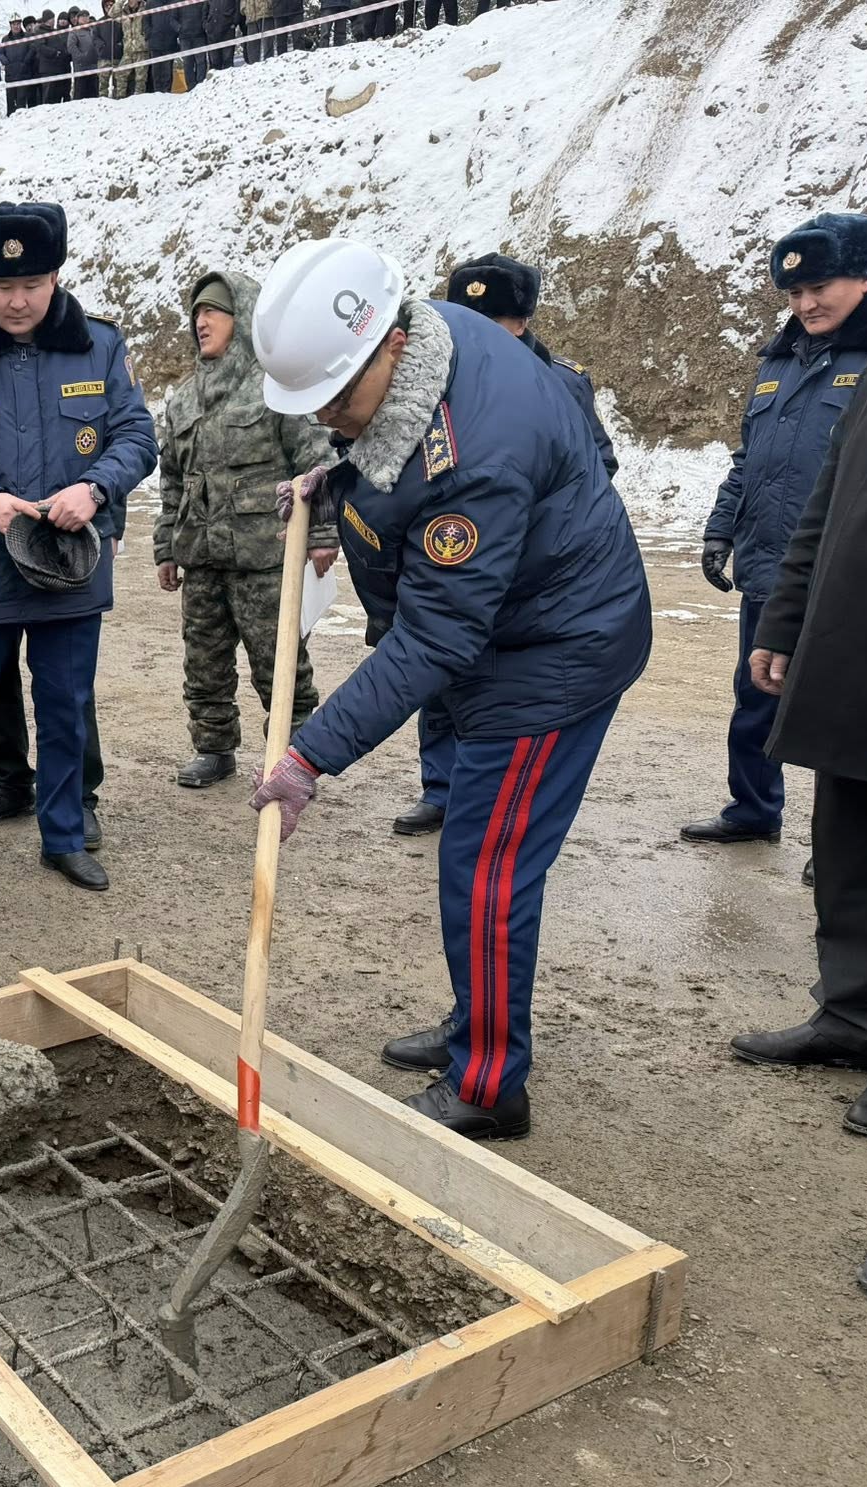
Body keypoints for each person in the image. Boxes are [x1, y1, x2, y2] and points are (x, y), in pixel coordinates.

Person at [245, 237, 651, 1139]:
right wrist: (337, 477)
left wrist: (310, 754)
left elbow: (436, 635)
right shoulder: (436, 332)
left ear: (389, 345)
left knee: (490, 866)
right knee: (475, 854)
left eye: (336, 405)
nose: (331, 422)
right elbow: (393, 448)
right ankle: (481, 1022)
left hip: (554, 651)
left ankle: (489, 1085)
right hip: (512, 626)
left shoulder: (476, 461)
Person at [729, 192, 867, 1139]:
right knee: (849, 854)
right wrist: (782, 623)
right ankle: (850, 1016)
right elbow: (822, 512)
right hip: (853, 659)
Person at [0, 202, 158, 893]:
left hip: (69, 569)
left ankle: (65, 836)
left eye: (33, 284)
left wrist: (95, 489)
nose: (18, 301)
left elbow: (137, 437)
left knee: (66, 707)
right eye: (2, 285)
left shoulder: (100, 349)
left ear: (56, 277)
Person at [682, 213, 867, 856]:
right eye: (793, 293)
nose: (805, 304)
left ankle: (843, 844)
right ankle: (753, 808)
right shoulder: (779, 360)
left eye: (820, 288)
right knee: (757, 693)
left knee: (848, 709)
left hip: (849, 573)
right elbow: (749, 458)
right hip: (771, 569)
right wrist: (721, 528)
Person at [393, 251, 625, 836]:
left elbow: (596, 463)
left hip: (528, 568)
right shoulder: (434, 381)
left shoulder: (561, 382)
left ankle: (489, 792)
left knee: (499, 685)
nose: (478, 332)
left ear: (521, 322)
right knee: (442, 675)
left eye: (494, 321)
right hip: (461, 553)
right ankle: (440, 786)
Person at [155, 271, 332, 789]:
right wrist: (167, 546)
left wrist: (322, 534)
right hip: (201, 555)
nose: (201, 321)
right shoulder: (183, 398)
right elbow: (171, 478)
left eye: (214, 312)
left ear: (245, 319)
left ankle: (298, 754)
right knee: (204, 662)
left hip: (265, 555)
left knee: (280, 664)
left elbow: (315, 460)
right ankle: (214, 749)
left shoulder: (276, 388)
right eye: (196, 313)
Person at [3, 16, 35, 110]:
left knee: (21, 102)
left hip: (23, 74)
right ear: (10, 25)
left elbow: (32, 50)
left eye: (18, 24)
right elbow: (0, 53)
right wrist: (6, 63)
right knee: (11, 103)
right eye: (14, 24)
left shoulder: (27, 37)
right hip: (10, 75)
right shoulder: (5, 39)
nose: (16, 26)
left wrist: (25, 62)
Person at [116, 0, 147, 93]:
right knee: (120, 73)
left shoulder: (145, 8)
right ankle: (120, 97)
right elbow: (112, 14)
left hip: (141, 48)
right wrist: (121, 1)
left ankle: (139, 98)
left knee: (140, 78)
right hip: (128, 49)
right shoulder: (123, 11)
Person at [69, 9, 101, 98]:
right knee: (80, 94)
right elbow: (71, 47)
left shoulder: (92, 30)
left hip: (94, 67)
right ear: (78, 19)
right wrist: (82, 57)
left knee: (93, 94)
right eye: (82, 17)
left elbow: (98, 43)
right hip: (81, 68)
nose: (85, 19)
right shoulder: (74, 31)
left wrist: (97, 54)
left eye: (86, 17)